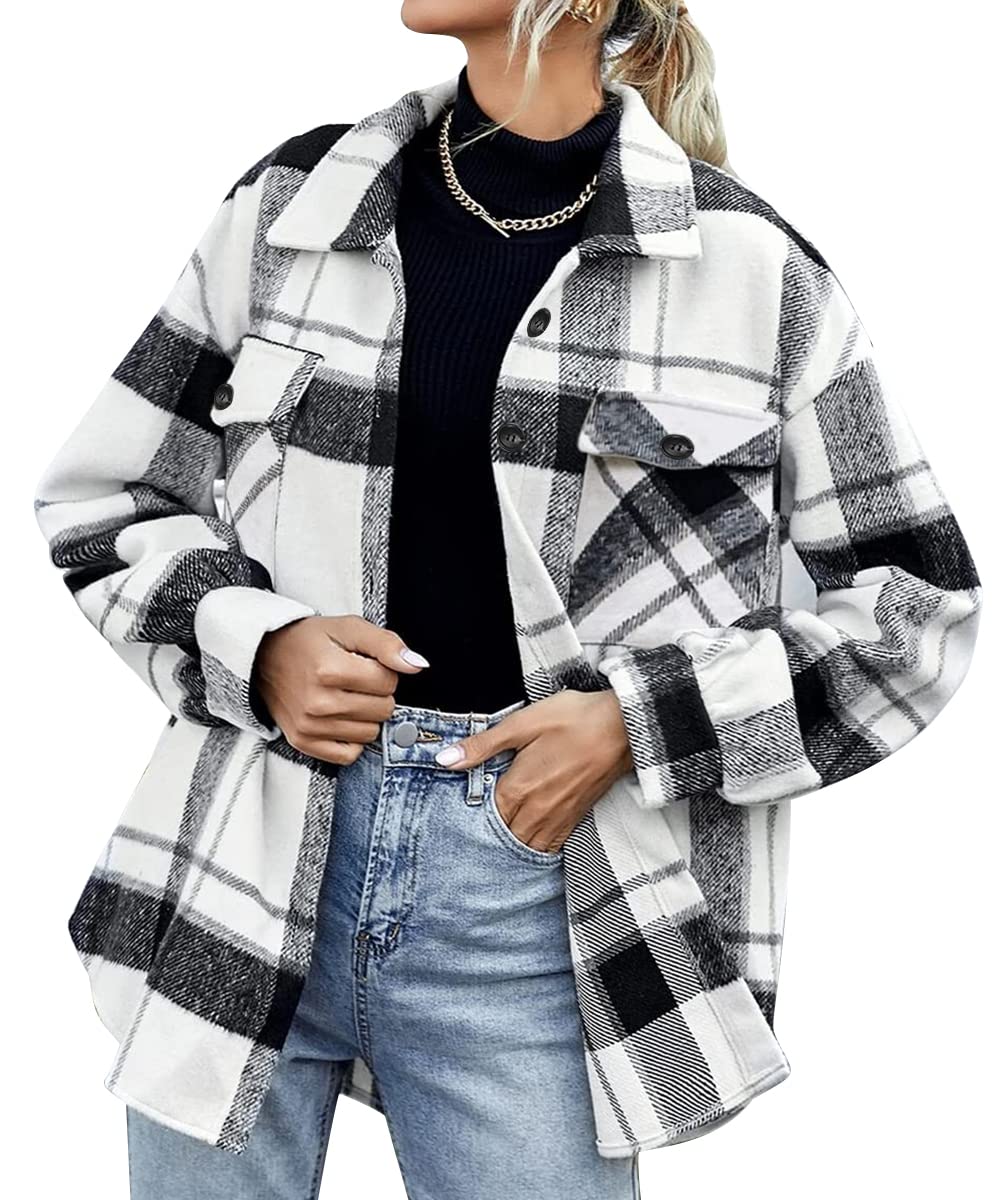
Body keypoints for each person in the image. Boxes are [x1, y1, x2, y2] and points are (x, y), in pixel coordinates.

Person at [32, 2, 981, 1198]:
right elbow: (108, 494)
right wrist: (257, 648)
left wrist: (636, 722)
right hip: (246, 850)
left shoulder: (747, 269)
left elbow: (913, 607)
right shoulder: (293, 206)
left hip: (543, 892)